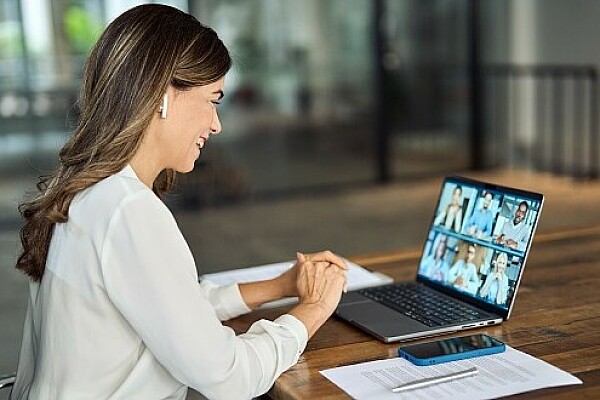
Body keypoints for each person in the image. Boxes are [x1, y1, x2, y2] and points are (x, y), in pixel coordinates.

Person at [10, 5, 348, 400]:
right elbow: (229, 377)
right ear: (164, 96)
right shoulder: (128, 210)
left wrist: (281, 286)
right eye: (213, 100)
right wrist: (313, 310)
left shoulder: (87, 192)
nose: (216, 124)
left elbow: (168, 304)